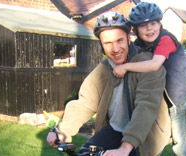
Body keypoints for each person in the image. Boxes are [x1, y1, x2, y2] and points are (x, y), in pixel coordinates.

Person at [113, 2, 186, 156]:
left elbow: (155, 65)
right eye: (143, 26)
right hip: (172, 103)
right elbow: (129, 54)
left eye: (153, 23)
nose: (149, 28)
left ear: (160, 24)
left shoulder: (166, 39)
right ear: (135, 30)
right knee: (179, 141)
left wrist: (125, 67)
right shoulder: (140, 46)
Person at [47, 11, 171, 156]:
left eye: (119, 40)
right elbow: (85, 102)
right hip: (115, 129)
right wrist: (62, 131)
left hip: (145, 134)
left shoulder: (147, 64)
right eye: (108, 43)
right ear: (101, 45)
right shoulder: (104, 69)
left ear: (128, 40)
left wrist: (124, 149)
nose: (116, 49)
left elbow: (146, 108)